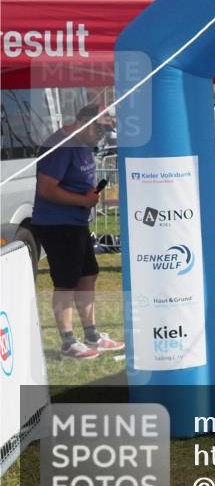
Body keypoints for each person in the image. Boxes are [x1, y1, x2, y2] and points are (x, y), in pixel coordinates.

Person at [31, 103, 124, 360]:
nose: (102, 136)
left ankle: (91, 334)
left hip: (76, 222)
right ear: (84, 121)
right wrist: (82, 201)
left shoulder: (82, 144)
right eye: (100, 130)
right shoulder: (61, 145)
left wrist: (88, 197)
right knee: (66, 283)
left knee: (88, 275)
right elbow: (46, 188)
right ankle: (68, 343)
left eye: (106, 132)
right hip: (57, 224)